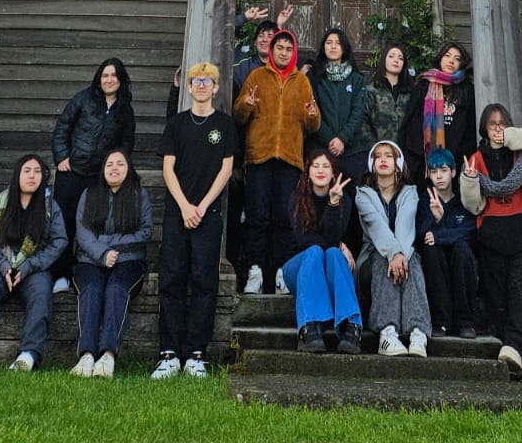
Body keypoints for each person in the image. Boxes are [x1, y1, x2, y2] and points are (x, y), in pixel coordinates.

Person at [153, 61, 237, 379]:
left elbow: (226, 169)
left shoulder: (225, 125)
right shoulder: (176, 124)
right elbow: (167, 169)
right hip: (177, 213)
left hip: (208, 214)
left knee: (204, 282)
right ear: (188, 88)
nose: (202, 85)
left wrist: (201, 207)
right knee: (172, 280)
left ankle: (196, 354)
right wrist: (186, 207)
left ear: (216, 88)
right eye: (196, 81)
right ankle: (169, 354)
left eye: (207, 81)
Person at [460, 103, 522, 380]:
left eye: (502, 123)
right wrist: (469, 180)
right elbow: (474, 206)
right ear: (484, 128)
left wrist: (512, 137)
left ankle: (517, 354)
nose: (498, 129)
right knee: (498, 300)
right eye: (492, 124)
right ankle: (515, 362)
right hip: (492, 238)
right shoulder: (476, 160)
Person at [233, 29, 320, 295]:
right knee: (257, 216)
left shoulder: (301, 82)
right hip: (259, 156)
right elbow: (238, 115)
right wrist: (247, 104)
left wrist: (312, 115)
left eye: (288, 49)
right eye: (279, 48)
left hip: (290, 159)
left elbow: (313, 125)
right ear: (271, 51)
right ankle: (255, 271)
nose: (283, 53)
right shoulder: (257, 76)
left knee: (285, 217)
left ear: (294, 54)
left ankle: (283, 272)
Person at [0, 153, 65, 371]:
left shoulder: (50, 206)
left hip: (33, 270)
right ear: (17, 175)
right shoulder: (0, 203)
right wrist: (3, 266)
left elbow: (59, 241)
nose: (32, 176)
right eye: (27, 171)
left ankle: (28, 355)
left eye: (37, 172)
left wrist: (29, 266)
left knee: (42, 292)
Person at [50, 57, 135, 290]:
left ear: (121, 80)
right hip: (71, 172)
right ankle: (60, 275)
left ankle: (83, 273)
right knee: (64, 223)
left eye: (114, 75)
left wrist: (114, 169)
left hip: (98, 178)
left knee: (91, 225)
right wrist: (61, 157)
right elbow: (62, 128)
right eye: (105, 75)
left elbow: (127, 143)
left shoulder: (125, 110)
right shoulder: (83, 99)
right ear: (99, 78)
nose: (109, 80)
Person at [70, 149, 152, 377]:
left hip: (129, 261)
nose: (114, 168)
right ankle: (86, 355)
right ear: (103, 170)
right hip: (89, 261)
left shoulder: (138, 194)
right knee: (91, 289)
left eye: (120, 164)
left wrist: (111, 248)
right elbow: (82, 232)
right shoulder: (89, 194)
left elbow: (145, 231)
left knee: (116, 288)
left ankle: (108, 355)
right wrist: (102, 253)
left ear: (129, 169)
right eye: (109, 164)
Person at [355, 139, 431, 358]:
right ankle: (387, 333)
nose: (383, 160)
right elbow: (376, 227)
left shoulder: (410, 192)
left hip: (404, 257)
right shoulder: (363, 194)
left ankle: (418, 333)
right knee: (383, 259)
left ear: (398, 163)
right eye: (378, 156)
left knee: (412, 259)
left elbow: (405, 226)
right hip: (372, 261)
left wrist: (400, 255)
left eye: (389, 155)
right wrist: (394, 254)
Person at [283, 149, 362, 353]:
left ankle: (351, 326)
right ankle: (309, 328)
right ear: (308, 172)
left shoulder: (344, 200)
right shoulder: (297, 198)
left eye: (326, 166)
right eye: (315, 166)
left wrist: (333, 203)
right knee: (315, 251)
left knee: (333, 254)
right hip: (298, 268)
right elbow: (303, 240)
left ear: (333, 173)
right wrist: (339, 245)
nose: (320, 170)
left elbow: (333, 239)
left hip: (328, 269)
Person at [415, 148, 478, 337]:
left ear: (453, 172)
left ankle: (465, 321)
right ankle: (441, 321)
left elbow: (469, 229)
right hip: (437, 262)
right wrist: (437, 219)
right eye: (434, 172)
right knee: (431, 250)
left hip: (461, 259)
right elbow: (423, 234)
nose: (439, 176)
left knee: (462, 249)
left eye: (443, 170)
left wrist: (441, 234)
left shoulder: (463, 199)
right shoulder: (425, 200)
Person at [400, 42, 476, 184]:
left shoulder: (467, 89)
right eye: (447, 56)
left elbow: (471, 128)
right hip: (422, 161)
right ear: (440, 58)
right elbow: (410, 121)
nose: (451, 61)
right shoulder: (423, 85)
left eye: (457, 58)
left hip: (454, 161)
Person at [310, 26, 367, 183]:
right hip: (321, 148)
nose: (333, 46)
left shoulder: (357, 79)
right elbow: (312, 111)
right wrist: (330, 140)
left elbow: (358, 112)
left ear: (344, 48)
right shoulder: (313, 77)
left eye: (338, 43)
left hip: (352, 149)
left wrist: (342, 138)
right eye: (329, 43)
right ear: (323, 47)